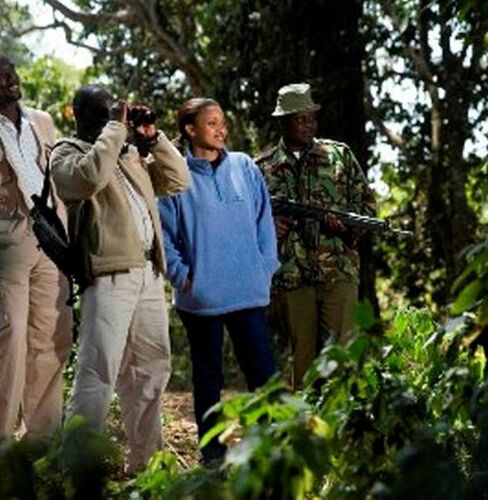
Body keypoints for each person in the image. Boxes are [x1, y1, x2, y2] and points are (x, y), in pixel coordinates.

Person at [50, 84, 190, 472]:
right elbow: (89, 179)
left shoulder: (127, 153)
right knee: (98, 370)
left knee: (151, 370)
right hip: (108, 273)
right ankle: (79, 468)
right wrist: (115, 130)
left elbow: (179, 180)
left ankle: (147, 465)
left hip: (148, 272)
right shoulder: (67, 152)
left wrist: (153, 138)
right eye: (103, 113)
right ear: (78, 115)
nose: (112, 119)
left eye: (114, 112)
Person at [158, 97, 279, 464]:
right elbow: (163, 235)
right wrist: (182, 276)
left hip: (248, 290)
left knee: (263, 374)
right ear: (190, 129)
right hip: (201, 298)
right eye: (211, 123)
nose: (221, 129)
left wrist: (265, 267)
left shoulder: (244, 166)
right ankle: (212, 456)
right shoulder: (175, 175)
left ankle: (269, 449)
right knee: (208, 379)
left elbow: (264, 221)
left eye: (222, 122)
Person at [256, 83, 376, 390]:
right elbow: (247, 223)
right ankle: (307, 420)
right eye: (301, 119)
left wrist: (344, 226)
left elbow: (367, 207)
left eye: (312, 118)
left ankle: (343, 419)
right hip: (291, 275)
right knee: (304, 361)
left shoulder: (339, 155)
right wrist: (269, 226)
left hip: (338, 270)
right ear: (283, 122)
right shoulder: (261, 167)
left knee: (342, 356)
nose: (309, 125)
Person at [0, 56, 72, 438]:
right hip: (7, 239)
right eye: (0, 75)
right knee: (9, 336)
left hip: (49, 236)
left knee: (51, 335)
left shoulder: (41, 121)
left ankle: (41, 444)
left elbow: (55, 175)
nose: (9, 79)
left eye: (10, 72)